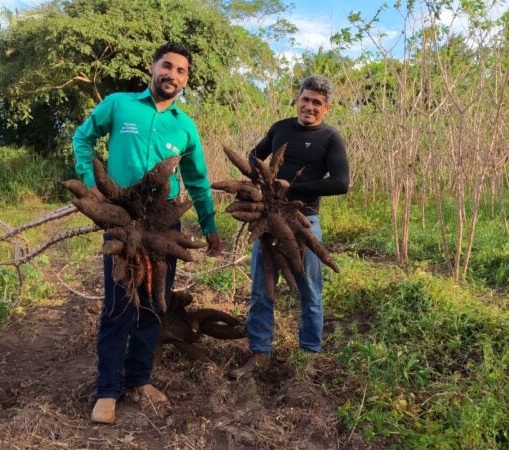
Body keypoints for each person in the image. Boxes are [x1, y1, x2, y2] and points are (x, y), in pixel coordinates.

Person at [72, 43, 223, 424]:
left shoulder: (185, 127)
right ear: (152, 68)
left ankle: (139, 380)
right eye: (167, 66)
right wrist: (92, 184)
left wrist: (209, 226)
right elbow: (83, 138)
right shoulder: (120, 104)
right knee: (118, 304)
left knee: (155, 302)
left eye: (181, 71)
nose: (173, 75)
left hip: (162, 225)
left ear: (186, 80)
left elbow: (198, 180)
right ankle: (107, 390)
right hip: (121, 221)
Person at [228, 75, 349, 380]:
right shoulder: (280, 128)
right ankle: (260, 352)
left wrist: (292, 189)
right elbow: (255, 156)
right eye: (305, 99)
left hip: (304, 222)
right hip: (268, 222)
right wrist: (262, 180)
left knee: (309, 290)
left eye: (317, 102)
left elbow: (341, 182)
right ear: (297, 99)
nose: (310, 106)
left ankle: (308, 355)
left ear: (327, 108)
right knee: (261, 289)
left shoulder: (330, 138)